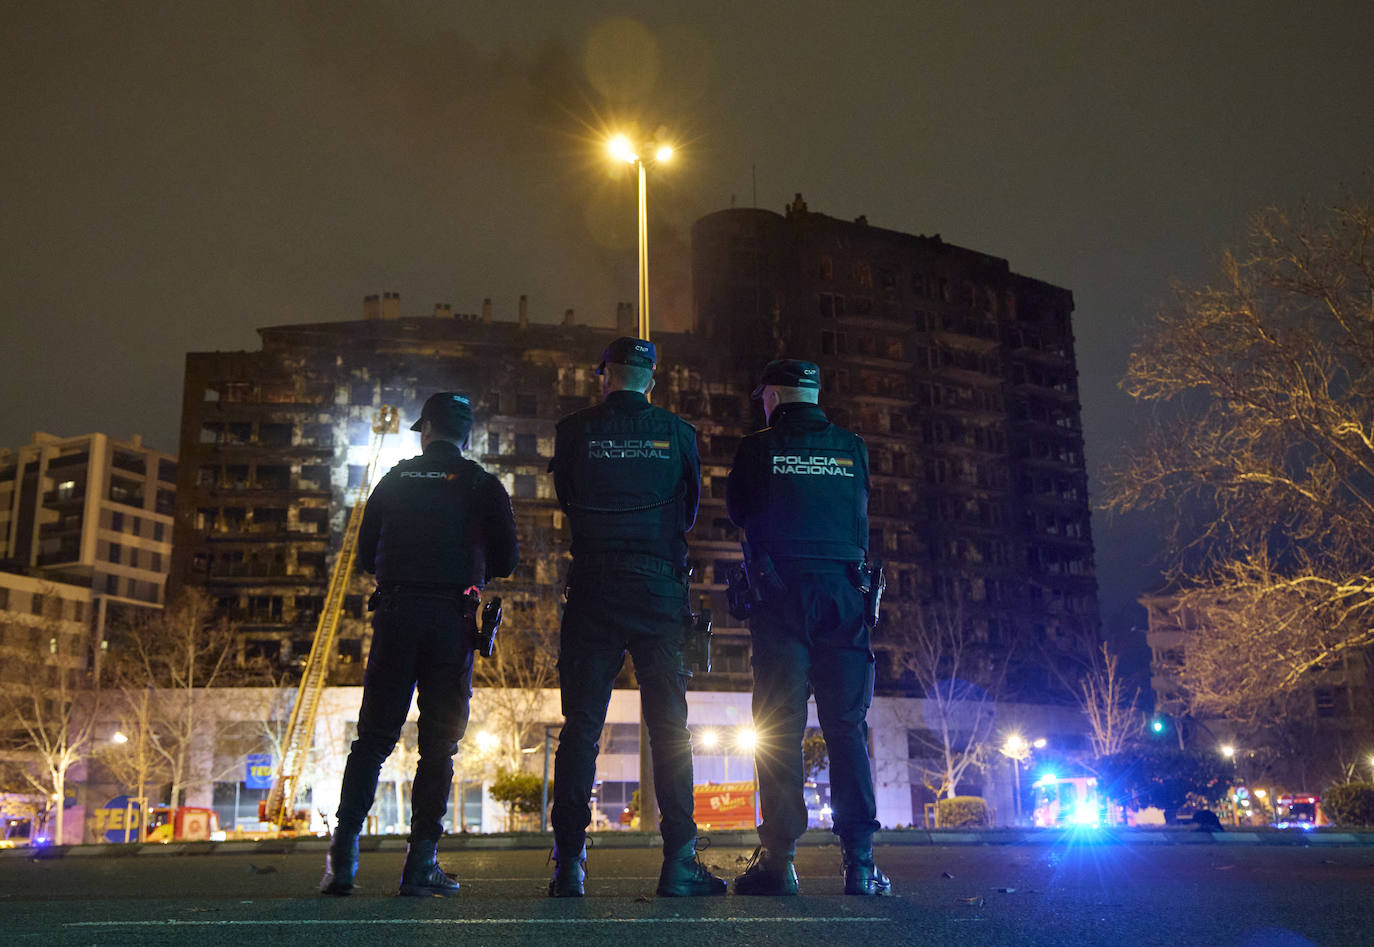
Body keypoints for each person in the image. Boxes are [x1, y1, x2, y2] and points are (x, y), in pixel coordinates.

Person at [546, 337, 726, 899]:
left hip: (594, 584)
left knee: (581, 729)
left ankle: (569, 866)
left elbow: (566, 498)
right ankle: (679, 862)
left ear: (604, 377)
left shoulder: (574, 431)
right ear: (652, 381)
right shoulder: (678, 434)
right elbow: (690, 509)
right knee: (671, 730)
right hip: (658, 589)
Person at [321, 392, 519, 897]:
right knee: (439, 747)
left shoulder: (395, 479)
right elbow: (507, 561)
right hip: (452, 620)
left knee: (373, 741)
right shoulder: (482, 484)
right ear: (467, 435)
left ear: (426, 431)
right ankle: (421, 865)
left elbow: (366, 554)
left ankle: (343, 860)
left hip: (396, 613)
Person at [726, 359, 891, 897]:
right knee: (846, 727)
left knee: (778, 728)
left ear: (773, 396)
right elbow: (861, 518)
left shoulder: (757, 448)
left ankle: (779, 863)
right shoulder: (854, 447)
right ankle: (861, 865)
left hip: (780, 595)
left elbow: (737, 512)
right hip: (845, 594)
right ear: (815, 395)